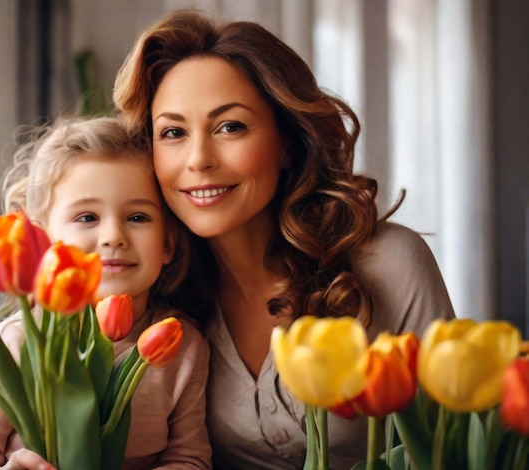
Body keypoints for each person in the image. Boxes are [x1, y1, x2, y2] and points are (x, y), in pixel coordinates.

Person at [112, 9, 456, 470]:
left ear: (287, 142)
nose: (198, 160)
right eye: (173, 132)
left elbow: (453, 448)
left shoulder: (389, 263)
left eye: (230, 126)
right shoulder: (165, 290)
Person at [0, 116, 212, 469]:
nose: (114, 236)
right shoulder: (15, 343)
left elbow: (190, 458)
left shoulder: (182, 345)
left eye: (138, 217)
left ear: (168, 242)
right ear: (41, 241)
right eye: (87, 217)